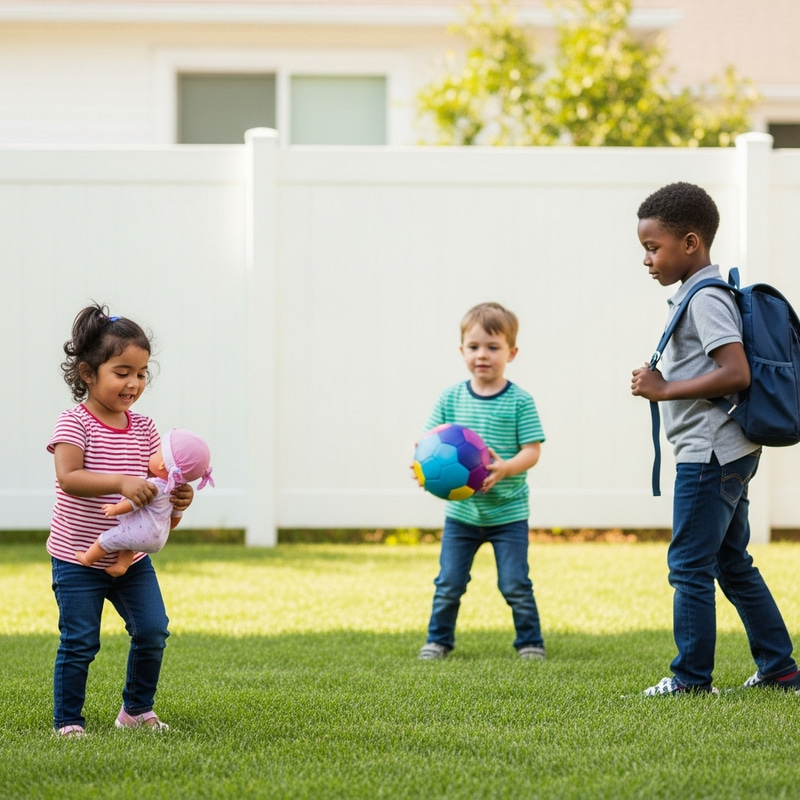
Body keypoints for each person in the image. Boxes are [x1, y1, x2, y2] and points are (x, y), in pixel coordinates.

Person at [630, 181, 800, 695]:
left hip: (709, 453)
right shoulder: (701, 293)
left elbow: (736, 372)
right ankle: (780, 668)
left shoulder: (705, 298)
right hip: (725, 451)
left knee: (688, 566)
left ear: (689, 243)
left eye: (652, 248)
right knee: (730, 562)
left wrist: (664, 389)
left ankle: (689, 680)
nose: (647, 260)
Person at [47, 303, 195, 737]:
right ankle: (69, 722)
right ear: (88, 374)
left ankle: (135, 711)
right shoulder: (75, 424)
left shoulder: (146, 430)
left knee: (152, 630)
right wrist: (123, 482)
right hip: (77, 559)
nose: (134, 383)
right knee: (80, 643)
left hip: (130, 559)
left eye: (142, 373)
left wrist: (179, 498)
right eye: (122, 371)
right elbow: (69, 477)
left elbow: (156, 507)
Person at [415, 302, 546, 661]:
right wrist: (422, 465)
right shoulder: (451, 397)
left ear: (511, 352)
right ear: (462, 351)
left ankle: (530, 642)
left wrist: (506, 468)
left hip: (508, 513)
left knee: (515, 583)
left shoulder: (519, 401)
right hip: (462, 516)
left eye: (493, 347)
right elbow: (430, 442)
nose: (482, 355)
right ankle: (438, 640)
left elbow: (532, 450)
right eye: (473, 347)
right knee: (449, 583)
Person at [76, 429, 214, 577]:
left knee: (105, 540)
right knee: (129, 545)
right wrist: (170, 526)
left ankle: (87, 559)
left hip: (138, 533)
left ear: (162, 465)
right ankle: (122, 566)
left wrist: (115, 509)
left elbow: (134, 503)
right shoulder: (174, 490)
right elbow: (175, 517)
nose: (152, 454)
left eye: (155, 453)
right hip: (157, 539)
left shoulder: (154, 486)